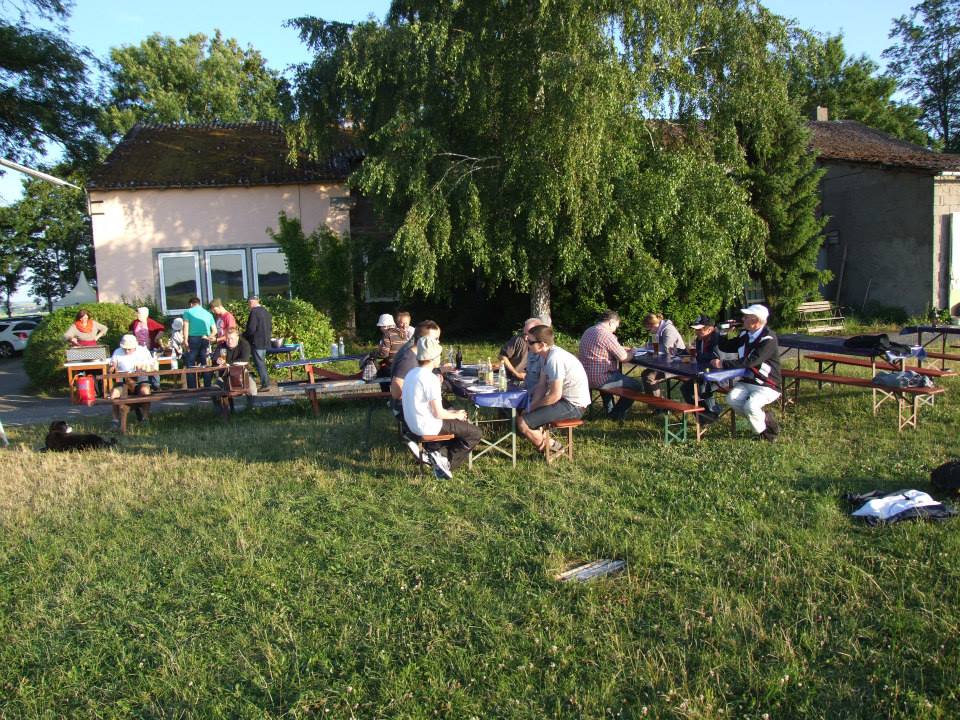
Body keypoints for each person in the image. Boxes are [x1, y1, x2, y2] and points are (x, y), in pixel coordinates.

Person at [401, 336, 482, 479]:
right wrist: (456, 414)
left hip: (412, 424)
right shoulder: (430, 377)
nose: (440, 358)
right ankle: (444, 464)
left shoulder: (411, 374)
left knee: (458, 425)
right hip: (427, 425)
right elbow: (438, 413)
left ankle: (436, 453)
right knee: (474, 433)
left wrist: (452, 413)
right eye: (439, 355)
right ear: (432, 357)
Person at [710, 304, 782, 442]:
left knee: (751, 406)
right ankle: (766, 418)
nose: (743, 319)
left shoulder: (768, 339)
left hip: (767, 384)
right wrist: (724, 332)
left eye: (746, 317)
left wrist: (723, 364)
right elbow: (725, 347)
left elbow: (751, 361)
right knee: (731, 400)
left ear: (755, 321)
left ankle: (766, 435)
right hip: (748, 381)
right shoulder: (745, 334)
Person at [517, 325, 590, 454]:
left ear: (542, 345)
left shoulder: (554, 359)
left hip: (574, 405)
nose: (527, 344)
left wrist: (531, 409)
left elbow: (555, 395)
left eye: (530, 342)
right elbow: (541, 386)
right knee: (524, 414)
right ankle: (547, 446)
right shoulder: (546, 355)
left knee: (522, 422)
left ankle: (554, 448)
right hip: (564, 401)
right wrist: (530, 405)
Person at [578, 310, 642, 420]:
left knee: (611, 378)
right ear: (611, 322)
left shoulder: (589, 331)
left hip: (584, 376)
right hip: (601, 379)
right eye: (616, 326)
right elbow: (624, 358)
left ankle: (609, 410)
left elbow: (602, 348)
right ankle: (616, 414)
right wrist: (633, 352)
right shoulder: (607, 335)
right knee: (636, 386)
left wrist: (622, 348)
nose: (615, 329)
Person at [390, 319, 441, 419]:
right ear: (422, 339)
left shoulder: (416, 353)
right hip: (404, 408)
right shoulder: (408, 358)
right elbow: (396, 393)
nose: (438, 342)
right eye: (435, 339)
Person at [109, 333, 154, 427]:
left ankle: (145, 418)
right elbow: (112, 365)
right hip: (123, 380)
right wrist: (112, 367)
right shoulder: (117, 352)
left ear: (135, 346)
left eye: (129, 348)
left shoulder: (143, 351)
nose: (127, 350)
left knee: (145, 392)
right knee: (114, 395)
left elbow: (151, 365)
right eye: (125, 348)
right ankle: (115, 420)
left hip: (140, 378)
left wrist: (142, 366)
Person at [681, 315, 722, 418]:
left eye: (700, 329)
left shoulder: (719, 339)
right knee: (686, 388)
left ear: (710, 329)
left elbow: (716, 359)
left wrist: (698, 356)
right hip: (704, 372)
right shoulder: (700, 339)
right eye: (696, 330)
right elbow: (700, 357)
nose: (697, 332)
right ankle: (703, 415)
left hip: (722, 375)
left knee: (702, 387)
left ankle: (713, 413)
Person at [640, 312, 686, 398]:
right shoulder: (654, 331)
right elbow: (651, 346)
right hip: (664, 363)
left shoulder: (668, 330)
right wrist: (648, 347)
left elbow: (667, 350)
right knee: (645, 374)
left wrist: (654, 349)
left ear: (653, 325)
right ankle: (658, 404)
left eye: (648, 329)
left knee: (649, 377)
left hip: (677, 365)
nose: (649, 331)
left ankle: (658, 406)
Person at [212, 326, 257, 397]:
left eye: (232, 339)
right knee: (215, 390)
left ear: (237, 337)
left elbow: (244, 360)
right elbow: (214, 360)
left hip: (242, 374)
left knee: (252, 390)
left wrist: (227, 363)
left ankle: (252, 407)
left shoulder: (244, 344)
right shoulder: (221, 346)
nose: (229, 341)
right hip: (224, 376)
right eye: (227, 339)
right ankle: (223, 407)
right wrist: (217, 361)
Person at [182, 297, 216, 389]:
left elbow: (186, 326)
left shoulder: (188, 312)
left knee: (191, 363)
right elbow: (214, 330)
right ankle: (207, 386)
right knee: (205, 362)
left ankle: (192, 388)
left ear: (191, 304)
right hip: (205, 339)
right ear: (199, 303)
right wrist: (209, 337)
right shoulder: (208, 314)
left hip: (192, 339)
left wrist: (185, 340)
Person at [244, 295, 273, 391]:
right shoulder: (265, 311)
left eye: (248, 303)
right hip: (266, 341)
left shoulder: (254, 312)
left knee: (260, 363)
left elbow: (251, 329)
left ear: (251, 302)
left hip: (257, 342)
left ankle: (265, 384)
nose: (248, 306)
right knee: (262, 362)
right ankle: (265, 383)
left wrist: (244, 336)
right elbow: (270, 327)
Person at [372, 313, 408, 389]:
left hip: (393, 367)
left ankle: (386, 395)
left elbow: (384, 354)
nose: (380, 329)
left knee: (380, 373)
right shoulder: (402, 333)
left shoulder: (387, 334)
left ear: (385, 326)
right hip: (405, 366)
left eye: (380, 327)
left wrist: (374, 354)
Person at [499, 317, 541, 382]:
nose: (525, 338)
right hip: (513, 378)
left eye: (529, 334)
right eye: (524, 334)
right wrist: (516, 373)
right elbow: (502, 356)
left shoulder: (544, 347)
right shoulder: (519, 340)